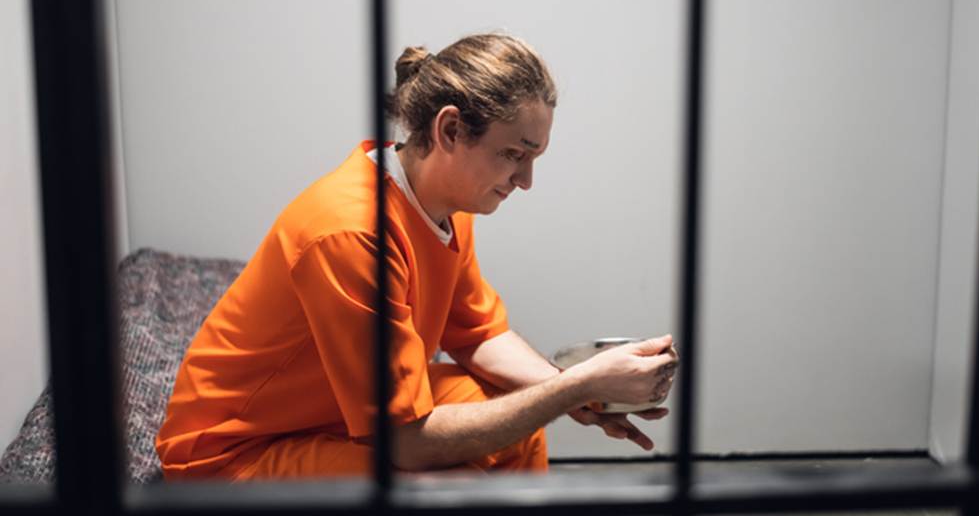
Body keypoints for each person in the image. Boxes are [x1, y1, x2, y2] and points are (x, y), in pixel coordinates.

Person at [156, 32, 678, 480]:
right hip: (233, 452)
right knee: (456, 491)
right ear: (449, 130)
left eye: (533, 157)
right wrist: (576, 388)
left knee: (519, 437)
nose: (525, 181)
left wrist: (580, 394)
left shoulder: (448, 207)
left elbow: (479, 335)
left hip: (339, 410)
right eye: (514, 155)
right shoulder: (352, 232)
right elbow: (406, 441)